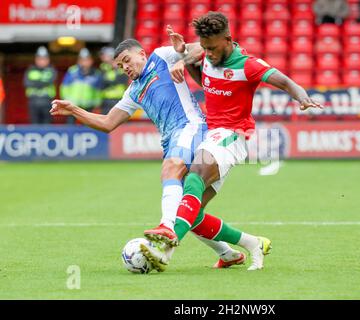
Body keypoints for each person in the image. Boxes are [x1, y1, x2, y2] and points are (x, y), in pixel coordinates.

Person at [142, 13, 324, 271]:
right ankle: (252, 244)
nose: (208, 53)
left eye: (213, 48)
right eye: (204, 48)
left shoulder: (247, 64)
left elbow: (284, 81)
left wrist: (302, 97)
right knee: (191, 211)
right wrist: (184, 54)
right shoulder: (206, 55)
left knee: (195, 175)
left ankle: (164, 250)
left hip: (231, 135)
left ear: (228, 39)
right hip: (211, 134)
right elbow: (205, 81)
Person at [50, 38, 248, 271]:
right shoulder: (133, 91)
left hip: (190, 127)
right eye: (120, 66)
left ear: (141, 54)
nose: (125, 68)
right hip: (172, 139)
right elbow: (107, 123)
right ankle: (228, 253)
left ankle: (165, 226)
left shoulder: (162, 56)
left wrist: (182, 59)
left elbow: (200, 47)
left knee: (170, 170)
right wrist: (74, 110)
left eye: (127, 61)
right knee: (189, 212)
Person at [60, 48, 103, 124]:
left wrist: (97, 104)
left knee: (88, 127)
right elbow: (64, 87)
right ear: (78, 61)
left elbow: (98, 90)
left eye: (87, 60)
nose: (85, 62)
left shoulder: (96, 73)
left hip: (89, 105)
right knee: (70, 126)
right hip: (72, 105)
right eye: (82, 60)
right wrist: (66, 100)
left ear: (91, 61)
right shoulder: (72, 71)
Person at [23, 46, 57, 124]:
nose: (42, 61)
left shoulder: (51, 70)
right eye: (40, 59)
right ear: (36, 59)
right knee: (34, 125)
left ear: (48, 59)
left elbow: (51, 81)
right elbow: (26, 83)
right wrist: (43, 82)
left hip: (48, 102)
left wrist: (35, 83)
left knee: (47, 125)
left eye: (44, 59)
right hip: (33, 102)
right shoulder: (30, 70)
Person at [99, 46, 129, 115]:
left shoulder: (121, 67)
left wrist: (116, 69)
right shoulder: (103, 67)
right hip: (106, 98)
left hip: (118, 98)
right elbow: (102, 82)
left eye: (104, 55)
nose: (102, 57)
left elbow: (123, 80)